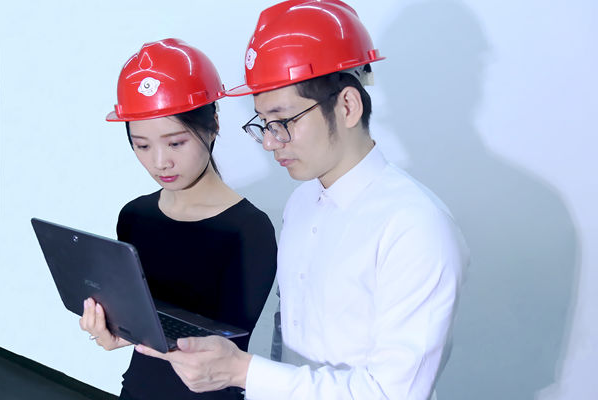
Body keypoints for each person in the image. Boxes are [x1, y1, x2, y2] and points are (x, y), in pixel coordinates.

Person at [136, 2, 469, 399]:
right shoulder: (302, 203)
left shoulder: (415, 227)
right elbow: (288, 339)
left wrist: (244, 372)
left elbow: (393, 393)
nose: (270, 142)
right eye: (264, 123)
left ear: (347, 106)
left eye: (283, 121)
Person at [78, 38, 277, 400]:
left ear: (213, 125)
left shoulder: (248, 231)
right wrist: (116, 330)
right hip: (137, 390)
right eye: (142, 145)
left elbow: (224, 353)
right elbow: (141, 319)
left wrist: (139, 334)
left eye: (175, 143)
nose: (160, 162)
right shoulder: (134, 216)